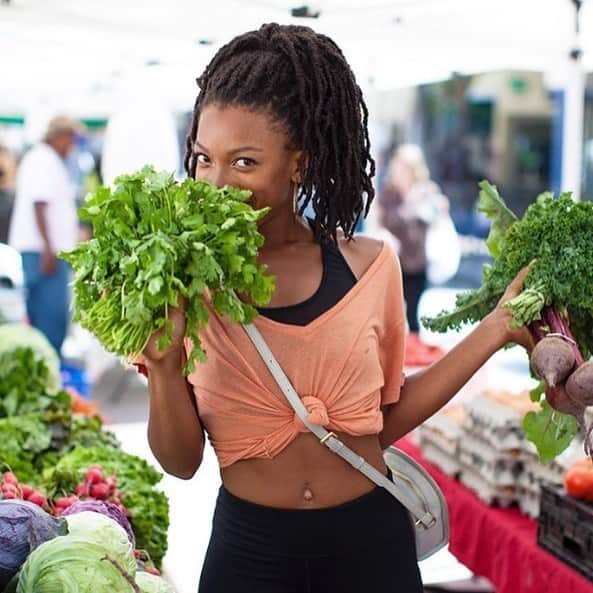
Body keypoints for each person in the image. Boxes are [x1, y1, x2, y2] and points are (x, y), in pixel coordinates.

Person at [139, 24, 532, 593]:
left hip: (369, 547)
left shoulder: (372, 266)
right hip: (249, 554)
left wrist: (493, 330)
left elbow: (381, 422)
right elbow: (180, 463)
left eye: (244, 162)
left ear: (299, 162)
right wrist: (164, 367)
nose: (215, 183)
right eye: (203, 158)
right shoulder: (182, 285)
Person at [8, 116, 81, 356]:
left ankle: (46, 372)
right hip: (43, 251)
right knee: (50, 316)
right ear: (59, 136)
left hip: (44, 250)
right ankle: (47, 372)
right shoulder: (43, 160)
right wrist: (48, 248)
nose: (72, 144)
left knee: (47, 315)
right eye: (71, 137)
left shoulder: (47, 159)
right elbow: (39, 204)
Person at [378, 144, 451, 338]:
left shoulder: (427, 191)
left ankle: (412, 354)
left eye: (403, 167)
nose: (399, 172)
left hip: (418, 262)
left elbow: (437, 216)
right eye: (397, 166)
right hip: (393, 260)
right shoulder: (389, 193)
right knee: (392, 314)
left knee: (412, 313)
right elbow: (383, 220)